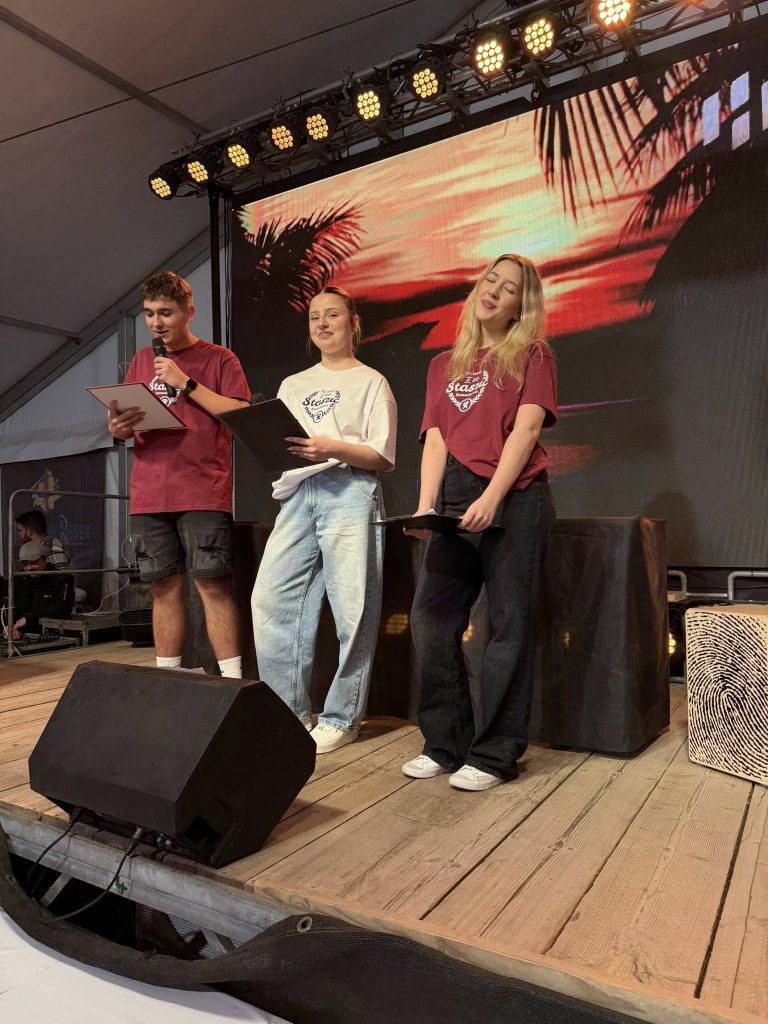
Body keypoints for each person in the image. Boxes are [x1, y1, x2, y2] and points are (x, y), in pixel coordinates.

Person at [402, 254, 557, 791]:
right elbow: (436, 440)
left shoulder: (533, 354)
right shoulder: (443, 365)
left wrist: (494, 496)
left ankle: (494, 755)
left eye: (509, 288)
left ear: (520, 306)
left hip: (516, 497)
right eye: (490, 280)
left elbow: (527, 430)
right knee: (430, 620)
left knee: (507, 628)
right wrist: (426, 505)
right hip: (454, 498)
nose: (494, 290)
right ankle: (445, 745)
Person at [251, 286, 397, 753]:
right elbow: (282, 444)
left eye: (332, 315)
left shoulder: (372, 382)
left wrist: (331, 447)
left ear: (354, 323)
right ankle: (287, 713)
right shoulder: (293, 384)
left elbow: (383, 455)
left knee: (353, 606)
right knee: (270, 599)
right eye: (314, 317)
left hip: (349, 488)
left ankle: (342, 717)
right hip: (298, 494)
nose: (322, 324)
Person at [107, 271, 251, 677]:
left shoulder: (220, 359)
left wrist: (185, 382)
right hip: (149, 492)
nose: (156, 323)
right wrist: (117, 428)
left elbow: (242, 414)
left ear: (190, 312)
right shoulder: (141, 360)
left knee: (212, 586)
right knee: (162, 588)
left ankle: (232, 683)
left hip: (203, 490)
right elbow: (125, 422)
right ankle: (169, 680)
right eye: (149, 313)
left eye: (166, 313)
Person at [3, 541, 75, 639]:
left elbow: (63, 607)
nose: (29, 568)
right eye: (25, 564)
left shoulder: (62, 579)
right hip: (21, 634)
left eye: (34, 563)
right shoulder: (18, 579)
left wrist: (29, 618)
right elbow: (8, 604)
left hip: (50, 635)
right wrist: (11, 626)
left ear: (45, 559)